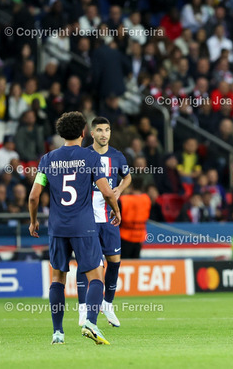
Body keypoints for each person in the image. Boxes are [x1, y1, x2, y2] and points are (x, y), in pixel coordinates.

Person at [28, 111, 121, 345]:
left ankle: (58, 333)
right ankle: (90, 322)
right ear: (83, 133)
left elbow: (33, 197)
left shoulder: (48, 159)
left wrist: (33, 220)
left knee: (57, 278)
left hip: (57, 227)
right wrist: (116, 210)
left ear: (61, 134)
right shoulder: (91, 157)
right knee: (96, 275)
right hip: (84, 227)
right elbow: (107, 191)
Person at [76, 117, 131, 328]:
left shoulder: (117, 156)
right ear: (92, 133)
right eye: (99, 130)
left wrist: (120, 189)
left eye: (107, 130)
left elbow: (127, 177)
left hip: (109, 218)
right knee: (86, 263)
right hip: (87, 218)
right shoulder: (83, 155)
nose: (104, 134)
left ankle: (107, 304)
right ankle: (83, 309)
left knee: (114, 261)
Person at [119, 178, 151, 258]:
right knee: (135, 262)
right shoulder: (146, 199)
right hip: (140, 236)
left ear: (131, 187)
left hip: (125, 236)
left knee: (123, 262)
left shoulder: (124, 200)